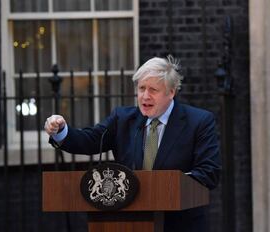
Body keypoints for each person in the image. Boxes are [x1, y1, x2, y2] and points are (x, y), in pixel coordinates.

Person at [44, 55, 221, 232]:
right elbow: (89, 140)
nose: (145, 96)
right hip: (128, 222)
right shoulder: (122, 119)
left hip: (181, 225)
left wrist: (170, 185)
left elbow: (209, 172)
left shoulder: (199, 122)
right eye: (141, 88)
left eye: (153, 90)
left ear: (171, 92)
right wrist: (61, 131)